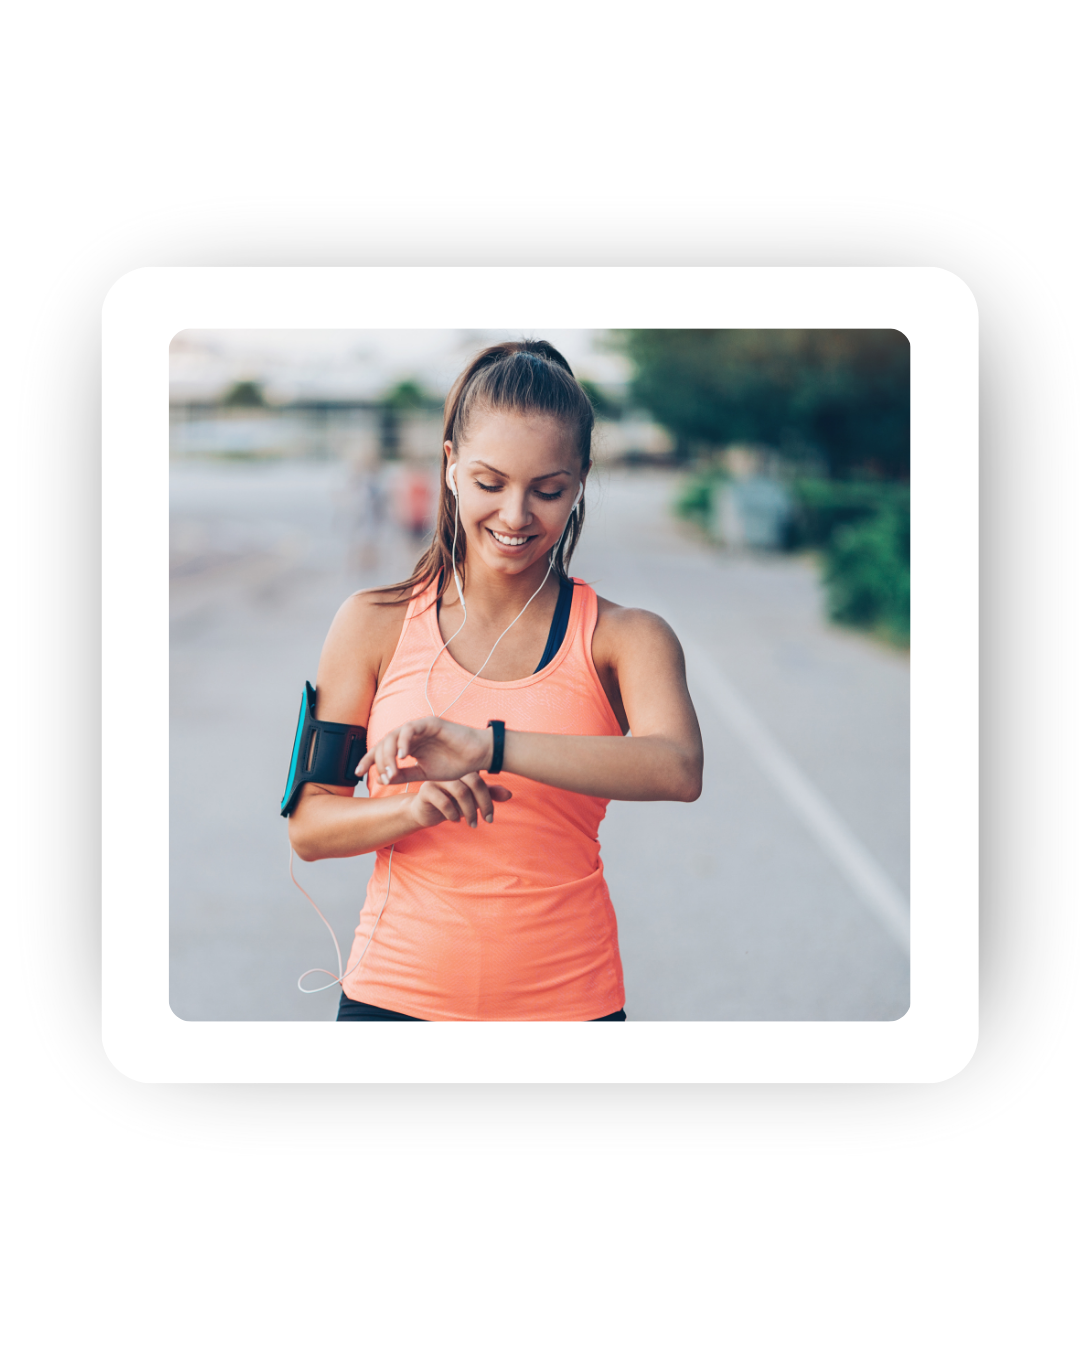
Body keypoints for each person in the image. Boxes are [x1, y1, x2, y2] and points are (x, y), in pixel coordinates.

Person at [288, 340, 703, 1021]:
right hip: (392, 1004)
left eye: (548, 490)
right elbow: (310, 826)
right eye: (490, 483)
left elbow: (679, 767)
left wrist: (490, 746)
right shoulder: (371, 623)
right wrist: (412, 807)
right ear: (449, 467)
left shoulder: (627, 638)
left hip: (570, 1010)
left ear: (581, 480)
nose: (515, 517)